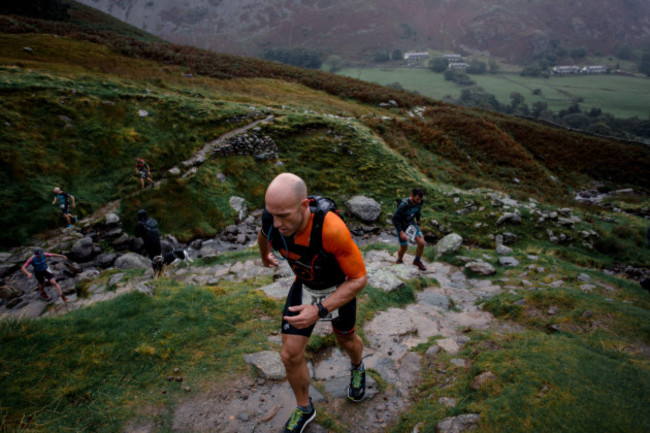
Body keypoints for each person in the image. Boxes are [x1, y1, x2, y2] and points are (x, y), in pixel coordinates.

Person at [257, 173, 368, 433]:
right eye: (272, 213)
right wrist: (264, 255)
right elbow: (264, 233)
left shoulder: (331, 229)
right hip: (305, 284)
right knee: (290, 354)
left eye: (284, 215)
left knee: (346, 340)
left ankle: (357, 366)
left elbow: (359, 279)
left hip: (337, 288)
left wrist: (319, 311)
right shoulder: (272, 219)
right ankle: (305, 408)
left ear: (304, 205)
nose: (277, 223)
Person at [134, 209, 190, 276]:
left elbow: (136, 235)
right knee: (159, 257)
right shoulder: (153, 221)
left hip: (149, 243)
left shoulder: (140, 224)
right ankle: (163, 269)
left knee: (154, 259)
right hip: (157, 242)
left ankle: (158, 274)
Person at [393, 187, 427, 271]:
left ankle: (417, 261)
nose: (419, 201)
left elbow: (418, 213)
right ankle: (399, 260)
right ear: (412, 195)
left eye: (420, 199)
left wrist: (419, 226)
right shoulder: (404, 204)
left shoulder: (419, 202)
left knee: (422, 243)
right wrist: (401, 232)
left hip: (411, 225)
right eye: (417, 199)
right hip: (401, 226)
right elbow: (395, 218)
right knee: (404, 246)